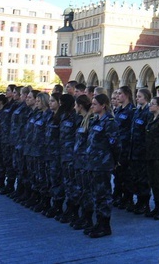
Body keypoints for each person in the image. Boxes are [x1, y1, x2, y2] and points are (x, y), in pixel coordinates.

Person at [85, 93, 121, 238]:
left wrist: (114, 161)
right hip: (93, 163)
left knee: (104, 195)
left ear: (103, 106)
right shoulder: (95, 120)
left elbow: (116, 145)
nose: (92, 106)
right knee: (96, 194)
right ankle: (98, 222)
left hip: (103, 164)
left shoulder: (109, 122)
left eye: (94, 104)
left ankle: (105, 225)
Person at [70, 94, 95, 231]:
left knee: (87, 191)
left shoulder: (90, 120)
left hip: (86, 162)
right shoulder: (82, 119)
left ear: (80, 106)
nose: (74, 107)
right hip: (79, 161)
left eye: (76, 105)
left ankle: (88, 218)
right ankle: (84, 216)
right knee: (81, 190)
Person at [56, 93, 79, 223]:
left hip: (71, 155)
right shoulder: (63, 116)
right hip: (64, 154)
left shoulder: (74, 117)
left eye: (61, 102)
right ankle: (69, 209)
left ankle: (73, 210)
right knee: (67, 183)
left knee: (72, 184)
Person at [130, 88, 153, 215]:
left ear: (146, 98)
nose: (137, 98)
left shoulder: (148, 112)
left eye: (139, 96)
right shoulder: (137, 111)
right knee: (136, 177)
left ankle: (145, 203)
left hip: (143, 151)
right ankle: (139, 201)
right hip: (135, 150)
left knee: (144, 179)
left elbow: (147, 133)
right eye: (136, 96)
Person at [112, 86, 135, 211]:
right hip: (118, 148)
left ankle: (128, 199)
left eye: (120, 94)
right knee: (118, 174)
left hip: (126, 148)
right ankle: (119, 196)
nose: (118, 96)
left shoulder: (132, 111)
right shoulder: (118, 110)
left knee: (127, 175)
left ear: (126, 95)